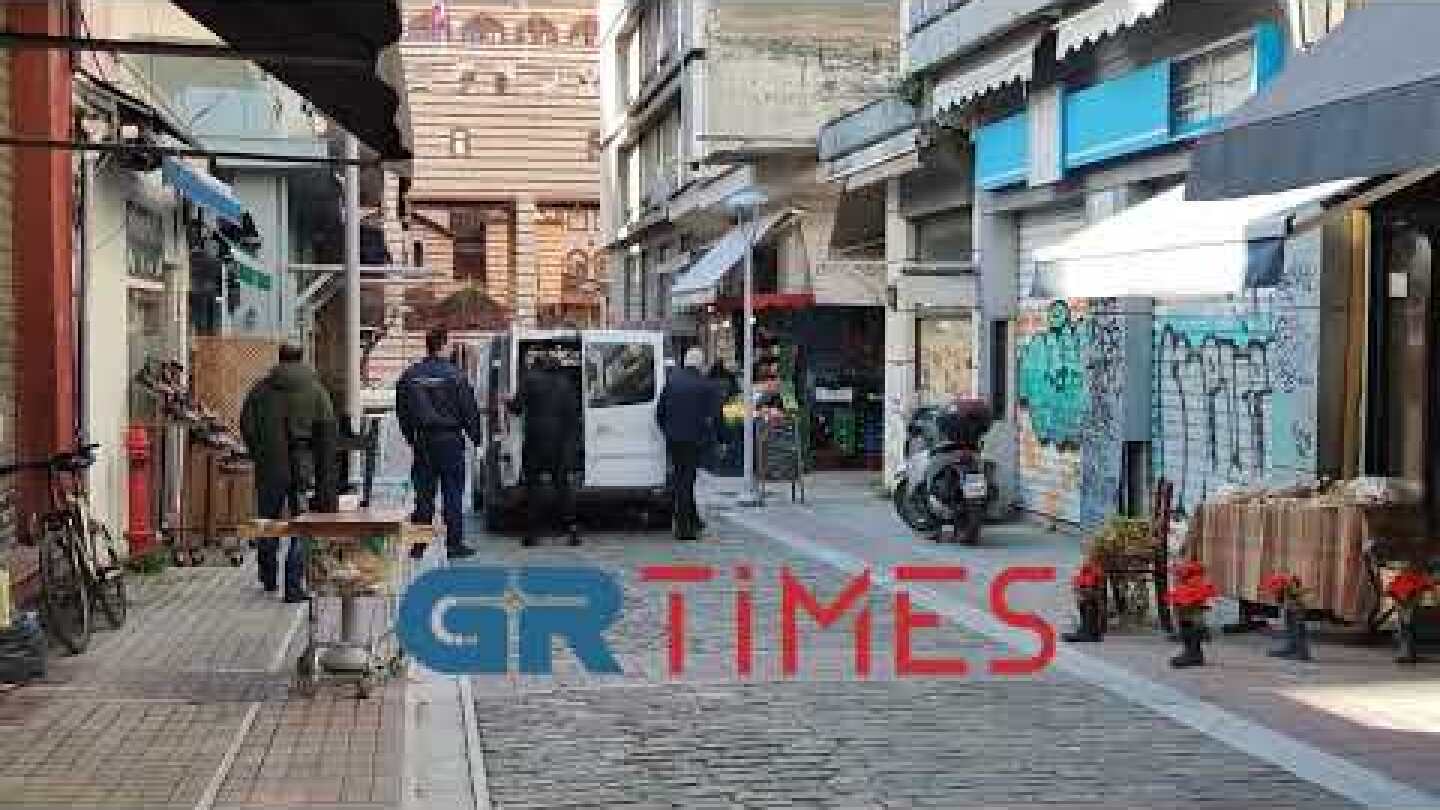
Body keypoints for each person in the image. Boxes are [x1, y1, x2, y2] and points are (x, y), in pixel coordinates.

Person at [240, 344, 338, 602]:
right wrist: (324, 478)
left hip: (269, 464)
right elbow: (327, 437)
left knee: (268, 520)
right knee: (301, 523)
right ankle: (293, 585)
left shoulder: (260, 390)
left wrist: (259, 452)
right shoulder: (317, 391)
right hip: (302, 464)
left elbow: (246, 425)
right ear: (301, 359)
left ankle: (268, 575)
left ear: (280, 359)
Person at [396, 328, 481, 560]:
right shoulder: (456, 376)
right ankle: (454, 545)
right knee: (452, 494)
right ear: (443, 345)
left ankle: (419, 545)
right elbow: (469, 409)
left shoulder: (410, 375)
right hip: (450, 441)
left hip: (423, 441)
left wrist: (410, 437)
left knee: (424, 495)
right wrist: (476, 437)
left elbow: (402, 411)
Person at [507, 351, 582, 547]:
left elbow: (516, 408)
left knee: (533, 487)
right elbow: (574, 413)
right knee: (562, 486)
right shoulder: (565, 384)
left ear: (538, 365)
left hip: (535, 441)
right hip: (559, 442)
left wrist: (507, 401)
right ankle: (572, 529)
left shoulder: (529, 380)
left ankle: (531, 533)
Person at [657, 347, 722, 541]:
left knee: (681, 479)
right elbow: (715, 416)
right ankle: (683, 528)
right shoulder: (706, 385)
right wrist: (720, 439)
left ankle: (693, 520)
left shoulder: (672, 382)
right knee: (686, 482)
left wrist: (668, 431)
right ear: (700, 364)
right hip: (694, 440)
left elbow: (660, 412)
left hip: (674, 439)